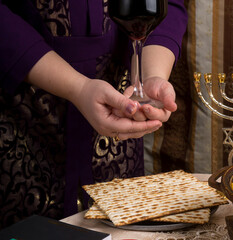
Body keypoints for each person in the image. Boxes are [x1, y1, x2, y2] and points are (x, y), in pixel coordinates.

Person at [0, 0, 188, 228]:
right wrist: (78, 88)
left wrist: (152, 76)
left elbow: (167, 5)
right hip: (23, 117)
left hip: (118, 119)